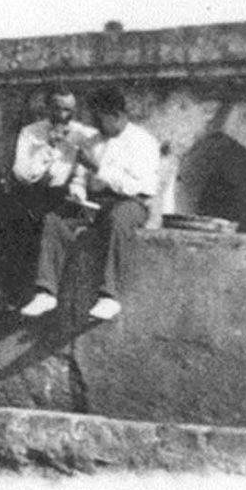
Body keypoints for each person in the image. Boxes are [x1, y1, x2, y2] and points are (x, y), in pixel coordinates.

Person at [19, 86, 160, 321]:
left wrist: (97, 167)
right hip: (96, 202)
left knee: (118, 219)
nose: (95, 123)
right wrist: (78, 192)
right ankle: (46, 291)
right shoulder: (93, 141)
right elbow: (80, 177)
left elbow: (137, 186)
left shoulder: (143, 142)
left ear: (117, 115)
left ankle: (109, 296)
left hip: (131, 202)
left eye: (99, 118)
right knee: (55, 219)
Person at [2, 85, 98, 299]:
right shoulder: (31, 133)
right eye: (58, 109)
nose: (63, 115)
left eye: (69, 110)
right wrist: (49, 149)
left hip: (67, 197)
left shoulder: (84, 135)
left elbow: (84, 175)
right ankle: (9, 292)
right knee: (10, 217)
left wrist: (78, 188)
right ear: (47, 108)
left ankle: (44, 290)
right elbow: (22, 174)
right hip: (35, 193)